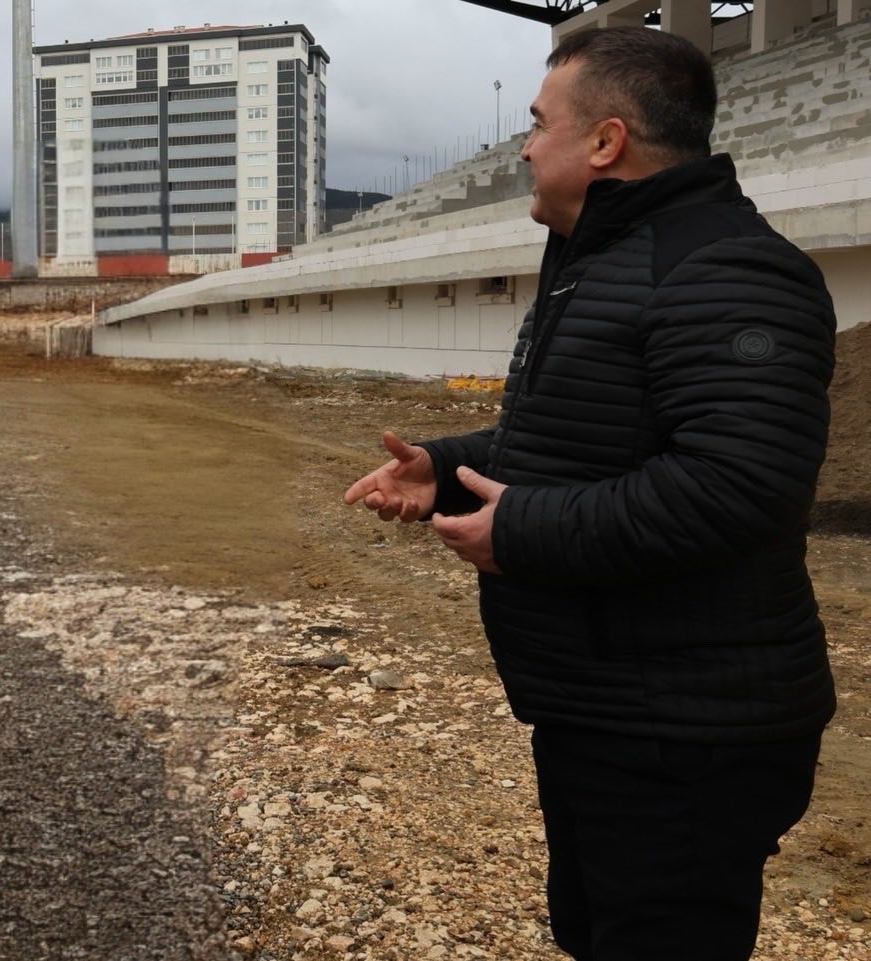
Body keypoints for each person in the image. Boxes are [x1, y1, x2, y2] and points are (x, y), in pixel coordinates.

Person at [345, 27, 836, 961]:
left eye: (539, 125)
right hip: (608, 705)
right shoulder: (605, 258)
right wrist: (444, 468)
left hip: (689, 729)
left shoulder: (726, 268)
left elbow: (739, 486)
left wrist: (521, 530)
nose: (525, 149)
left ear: (607, 142)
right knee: (597, 930)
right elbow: (580, 443)